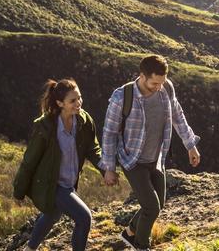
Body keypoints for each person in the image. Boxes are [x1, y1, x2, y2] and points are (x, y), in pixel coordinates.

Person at [99, 55, 201, 250]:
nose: (158, 87)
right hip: (132, 160)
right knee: (151, 207)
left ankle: (129, 234)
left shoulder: (166, 88)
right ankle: (141, 245)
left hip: (157, 158)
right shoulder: (122, 97)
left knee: (157, 205)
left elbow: (177, 115)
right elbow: (109, 133)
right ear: (142, 76)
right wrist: (109, 168)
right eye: (154, 83)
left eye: (161, 83)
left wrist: (191, 145)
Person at [13, 79, 101, 251]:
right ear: (60, 103)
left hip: (69, 181)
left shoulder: (84, 120)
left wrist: (105, 169)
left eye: (79, 98)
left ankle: (29, 248)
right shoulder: (46, 126)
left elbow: (93, 148)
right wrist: (19, 191)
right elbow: (29, 161)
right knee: (84, 218)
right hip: (50, 184)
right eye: (73, 101)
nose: (79, 103)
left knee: (52, 214)